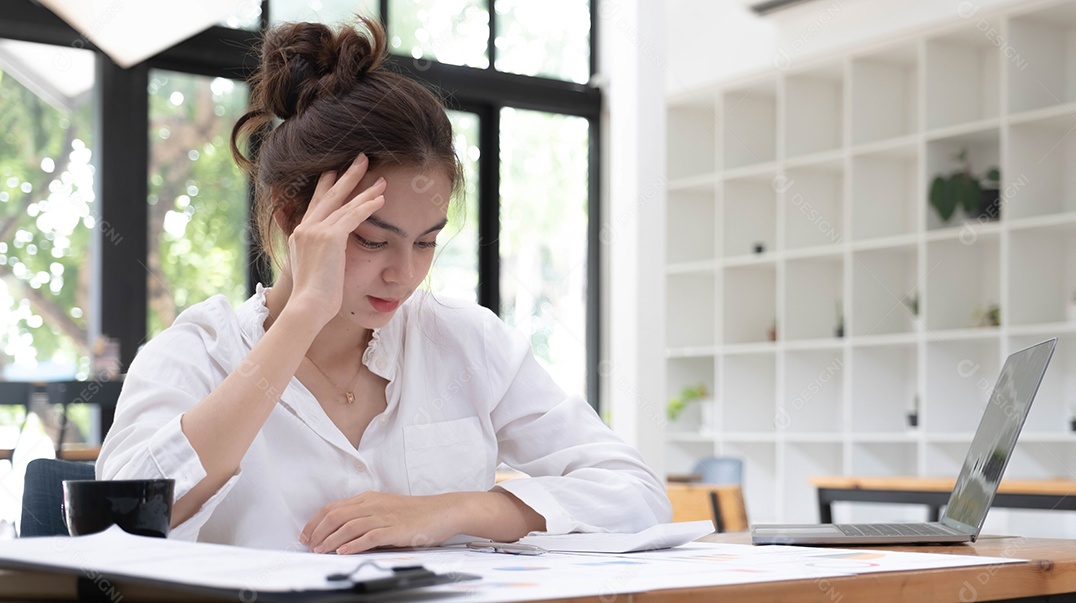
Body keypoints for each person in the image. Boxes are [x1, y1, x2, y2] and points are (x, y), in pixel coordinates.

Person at [96, 15, 671, 553]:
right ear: (293, 215)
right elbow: (116, 520)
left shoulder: (465, 341)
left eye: (425, 242)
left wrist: (453, 511)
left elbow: (636, 493)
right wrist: (301, 319)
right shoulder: (198, 352)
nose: (405, 274)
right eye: (372, 240)